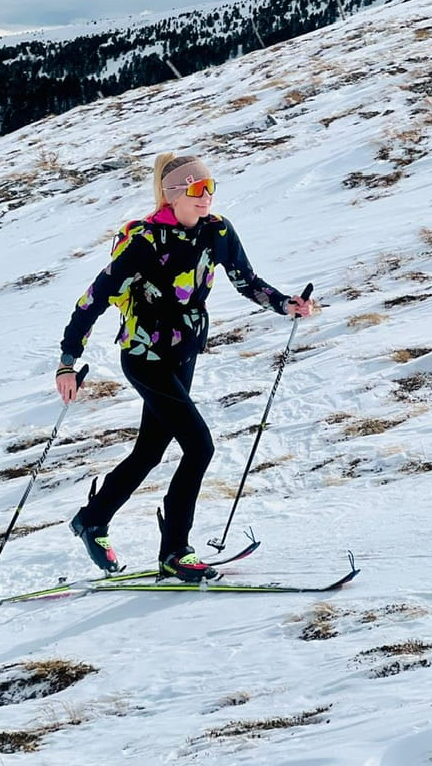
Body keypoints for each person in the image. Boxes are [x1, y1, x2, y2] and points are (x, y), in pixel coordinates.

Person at [55, 152, 314, 580]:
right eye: (196, 190)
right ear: (172, 195)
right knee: (199, 445)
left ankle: (92, 519)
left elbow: (245, 280)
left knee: (150, 450)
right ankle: (175, 551)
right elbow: (93, 299)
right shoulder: (144, 243)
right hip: (144, 355)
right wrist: (68, 362)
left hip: (183, 354)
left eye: (210, 188)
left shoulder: (218, 231)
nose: (205, 197)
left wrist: (286, 305)